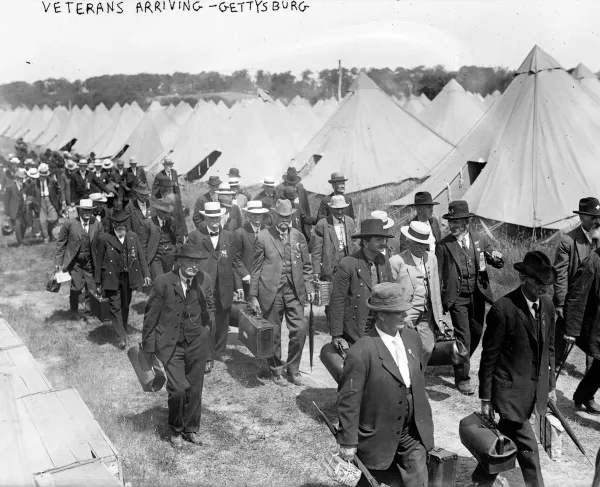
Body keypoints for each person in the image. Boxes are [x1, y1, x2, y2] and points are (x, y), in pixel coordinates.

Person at [336, 281, 434, 487]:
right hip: (376, 435)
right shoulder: (361, 351)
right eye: (398, 312)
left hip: (412, 432)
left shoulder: (412, 337)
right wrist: (347, 441)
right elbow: (349, 401)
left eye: (405, 310)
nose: (405, 316)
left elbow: (418, 378)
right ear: (381, 315)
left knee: (418, 480)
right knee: (371, 482)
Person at [474, 251, 557, 487]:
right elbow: (489, 357)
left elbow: (549, 349)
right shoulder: (503, 309)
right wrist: (486, 397)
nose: (544, 289)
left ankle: (482, 477)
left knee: (504, 438)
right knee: (528, 446)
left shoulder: (548, 306)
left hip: (533, 390)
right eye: (539, 283)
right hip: (508, 391)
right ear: (524, 278)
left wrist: (550, 386)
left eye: (547, 284)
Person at [141, 243, 215, 448]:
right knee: (178, 388)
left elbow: (210, 312)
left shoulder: (204, 280)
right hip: (171, 345)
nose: (194, 265)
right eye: (189, 261)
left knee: (195, 388)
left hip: (197, 342)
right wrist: (148, 349)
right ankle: (175, 429)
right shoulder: (163, 283)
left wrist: (209, 351)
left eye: (197, 262)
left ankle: (191, 428)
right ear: (179, 261)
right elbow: (150, 317)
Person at [436, 200, 504, 395]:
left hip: (478, 294)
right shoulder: (444, 245)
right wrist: (438, 300)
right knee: (463, 336)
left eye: (456, 222)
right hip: (457, 297)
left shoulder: (480, 240)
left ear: (467, 222)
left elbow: (496, 259)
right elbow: (438, 275)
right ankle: (462, 377)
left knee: (476, 333)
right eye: (450, 222)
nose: (452, 226)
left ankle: (459, 359)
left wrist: (497, 257)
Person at [248, 199, 314, 386]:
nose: (285, 220)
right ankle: (276, 370)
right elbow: (256, 268)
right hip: (271, 292)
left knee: (300, 329)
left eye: (288, 217)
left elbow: (307, 265)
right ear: (274, 216)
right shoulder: (263, 236)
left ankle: (293, 369)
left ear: (292, 217)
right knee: (274, 332)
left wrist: (308, 287)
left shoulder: (299, 237)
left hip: (294, 291)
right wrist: (253, 296)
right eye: (281, 217)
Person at [328, 219, 394, 351]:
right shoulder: (348, 264)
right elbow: (337, 300)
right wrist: (336, 334)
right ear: (365, 242)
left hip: (380, 322)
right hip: (357, 324)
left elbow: (390, 290)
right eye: (378, 239)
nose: (383, 243)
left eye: (384, 239)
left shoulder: (383, 261)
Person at [553, 197, 600, 375]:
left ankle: (591, 369)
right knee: (564, 326)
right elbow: (560, 274)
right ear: (582, 217)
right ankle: (557, 362)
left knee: (595, 331)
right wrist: (560, 302)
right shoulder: (568, 241)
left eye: (599, 216)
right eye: (593, 217)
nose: (598, 220)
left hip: (594, 296)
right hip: (574, 296)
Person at [188, 202, 235, 371]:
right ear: (206, 218)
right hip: (204, 283)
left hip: (225, 283)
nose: (214, 220)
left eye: (217, 217)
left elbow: (233, 262)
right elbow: (189, 259)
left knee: (223, 317)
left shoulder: (228, 236)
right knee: (207, 319)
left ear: (221, 217)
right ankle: (207, 356)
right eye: (211, 217)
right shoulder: (195, 236)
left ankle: (220, 350)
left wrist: (237, 286)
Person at [392, 221, 448, 365]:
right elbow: (391, 292)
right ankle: (406, 381)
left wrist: (439, 317)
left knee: (427, 348)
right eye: (418, 243)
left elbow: (435, 288)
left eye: (425, 244)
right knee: (406, 348)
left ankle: (417, 378)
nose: (422, 248)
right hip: (406, 312)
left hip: (427, 311)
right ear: (408, 241)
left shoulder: (431, 258)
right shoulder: (397, 261)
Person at [95, 210, 152, 349]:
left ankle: (122, 329)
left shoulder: (132, 237)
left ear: (126, 223)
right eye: (117, 223)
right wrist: (97, 282)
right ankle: (121, 338)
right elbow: (98, 261)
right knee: (115, 306)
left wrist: (146, 275)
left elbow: (141, 256)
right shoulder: (104, 239)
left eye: (123, 223)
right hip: (111, 277)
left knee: (125, 305)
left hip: (128, 278)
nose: (120, 225)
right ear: (112, 223)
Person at [563, 245, 600, 415]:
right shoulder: (593, 260)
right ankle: (584, 395)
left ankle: (583, 395)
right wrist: (571, 329)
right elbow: (577, 294)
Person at [55, 199, 103, 319]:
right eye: (85, 210)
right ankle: (74, 310)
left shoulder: (96, 224)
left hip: (90, 262)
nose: (87, 212)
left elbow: (103, 243)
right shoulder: (69, 224)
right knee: (76, 286)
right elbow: (61, 243)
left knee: (91, 288)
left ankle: (89, 312)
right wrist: (58, 262)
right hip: (75, 262)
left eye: (90, 210)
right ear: (79, 210)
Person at [312, 194, 356, 284]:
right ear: (331, 209)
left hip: (348, 263)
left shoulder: (350, 222)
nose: (340, 212)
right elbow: (317, 250)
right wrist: (316, 270)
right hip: (331, 266)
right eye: (336, 209)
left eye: (342, 209)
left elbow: (355, 243)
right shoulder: (322, 224)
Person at [233, 201, 269, 300]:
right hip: (248, 280)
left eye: (259, 214)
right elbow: (236, 258)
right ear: (248, 215)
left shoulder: (269, 230)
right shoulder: (240, 233)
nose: (257, 216)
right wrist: (244, 273)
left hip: (266, 279)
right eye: (254, 214)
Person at [125, 183, 159, 278]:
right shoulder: (130, 207)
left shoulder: (152, 205)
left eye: (146, 195)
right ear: (137, 194)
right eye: (142, 195)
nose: (144, 197)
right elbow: (128, 227)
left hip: (151, 241)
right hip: (138, 241)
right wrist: (132, 242)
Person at [149, 198, 183, 279]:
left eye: (168, 213)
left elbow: (179, 238)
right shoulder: (150, 223)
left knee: (168, 280)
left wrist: (174, 249)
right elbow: (144, 243)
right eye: (164, 212)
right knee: (159, 279)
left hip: (170, 256)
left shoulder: (173, 221)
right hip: (156, 256)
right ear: (157, 211)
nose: (167, 215)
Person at [33, 163, 62, 244]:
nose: (42, 177)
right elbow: (32, 193)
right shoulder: (35, 182)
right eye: (41, 175)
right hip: (41, 202)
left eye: (44, 175)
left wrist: (58, 199)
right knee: (42, 221)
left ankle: (50, 233)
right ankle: (46, 237)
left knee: (53, 218)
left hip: (50, 201)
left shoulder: (52, 181)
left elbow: (58, 191)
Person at [3, 168, 28, 246]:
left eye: (22, 178)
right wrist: (7, 213)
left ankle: (22, 239)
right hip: (13, 210)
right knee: (17, 226)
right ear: (16, 178)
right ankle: (20, 242)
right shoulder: (10, 187)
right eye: (20, 178)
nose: (21, 179)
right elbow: (6, 201)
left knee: (23, 226)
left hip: (22, 209)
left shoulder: (24, 186)